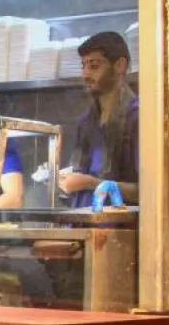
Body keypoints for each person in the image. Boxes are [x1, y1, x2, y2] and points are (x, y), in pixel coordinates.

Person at [60, 32, 139, 208]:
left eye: (94, 66)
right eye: (84, 66)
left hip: (121, 229)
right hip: (84, 224)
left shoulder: (137, 118)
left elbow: (148, 190)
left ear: (119, 65)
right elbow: (79, 172)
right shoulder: (86, 122)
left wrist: (90, 182)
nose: (86, 74)